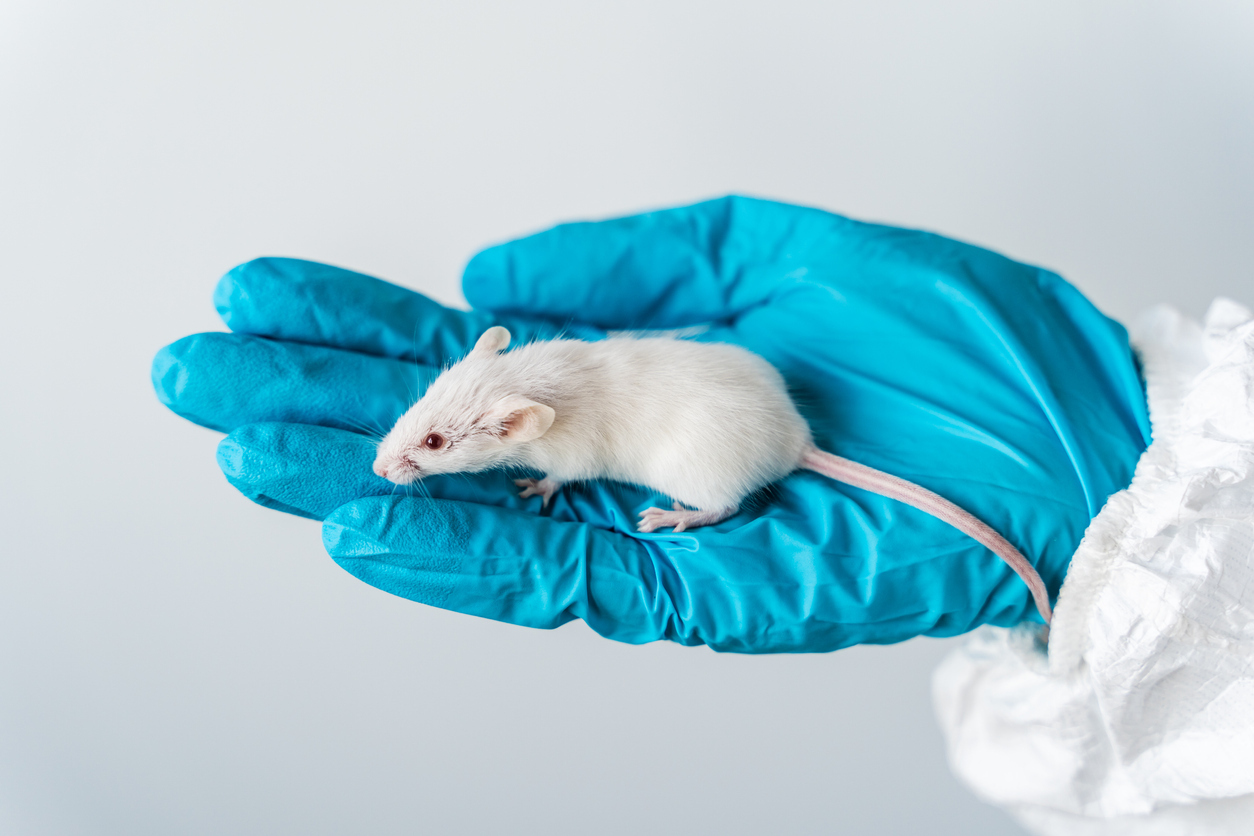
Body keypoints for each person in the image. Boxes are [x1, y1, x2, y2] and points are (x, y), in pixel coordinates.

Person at [152, 196, 1253, 831]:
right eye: (427, 431)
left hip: (730, 437)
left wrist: (576, 480)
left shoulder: (544, 418)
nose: (410, 449)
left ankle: (707, 503)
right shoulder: (516, 372)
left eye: (434, 443)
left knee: (684, 470)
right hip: (737, 390)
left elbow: (584, 450)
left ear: (517, 423)